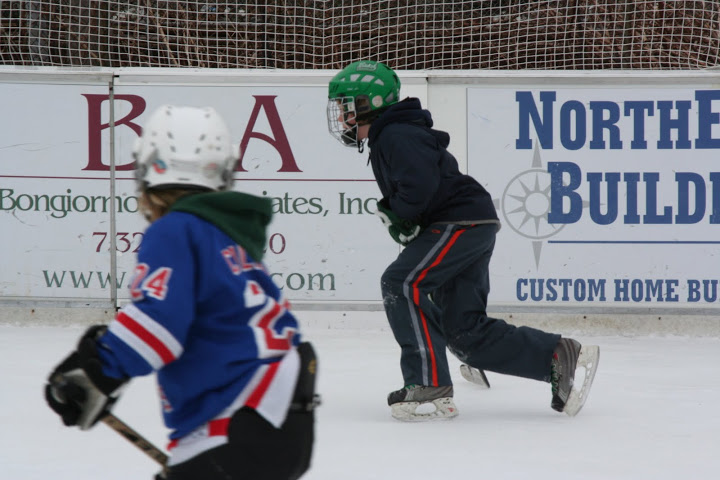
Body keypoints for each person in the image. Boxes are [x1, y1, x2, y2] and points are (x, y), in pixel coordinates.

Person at [45, 105, 318, 479]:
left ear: (145, 169)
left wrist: (97, 370)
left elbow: (159, 324)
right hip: (281, 417)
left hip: (235, 420)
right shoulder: (229, 238)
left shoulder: (176, 229)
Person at [326, 60, 599, 421]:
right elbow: (421, 190)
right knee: (464, 334)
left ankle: (428, 383)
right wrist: (404, 215)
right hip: (471, 222)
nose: (341, 117)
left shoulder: (394, 134)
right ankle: (558, 355)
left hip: (460, 222)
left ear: (368, 103)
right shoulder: (393, 133)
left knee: (401, 282)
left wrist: (397, 212)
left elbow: (418, 189)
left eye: (345, 106)